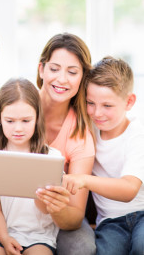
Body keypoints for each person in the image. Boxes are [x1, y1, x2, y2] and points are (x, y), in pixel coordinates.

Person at [0, 33, 96, 255]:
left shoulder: (80, 134)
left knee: (82, 248)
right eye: (54, 69)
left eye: (72, 72)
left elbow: (74, 215)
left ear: (82, 77)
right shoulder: (9, 101)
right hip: (1, 207)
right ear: (41, 69)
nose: (62, 79)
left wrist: (53, 206)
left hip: (49, 218)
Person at [62, 56, 144, 255]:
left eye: (107, 106)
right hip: (109, 223)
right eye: (90, 103)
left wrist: (84, 180)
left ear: (129, 101)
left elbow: (129, 189)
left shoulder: (137, 133)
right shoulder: (87, 129)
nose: (97, 113)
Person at [0, 77, 64, 255]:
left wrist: (40, 191)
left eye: (26, 121)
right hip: (5, 233)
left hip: (41, 237)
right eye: (10, 121)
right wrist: (4, 239)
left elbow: (47, 209)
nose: (18, 128)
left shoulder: (51, 157)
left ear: (37, 118)